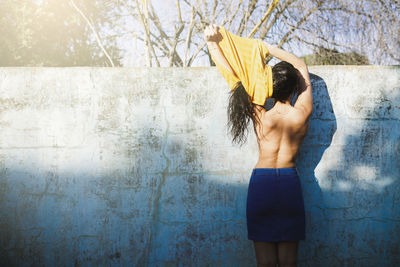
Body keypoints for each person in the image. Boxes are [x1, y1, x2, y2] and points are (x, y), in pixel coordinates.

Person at [204, 24, 313, 267]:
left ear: (270, 86)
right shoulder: (302, 114)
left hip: (261, 183)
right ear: (295, 87)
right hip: (289, 182)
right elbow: (301, 65)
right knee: (288, 263)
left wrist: (213, 43)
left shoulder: (259, 114)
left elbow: (233, 77)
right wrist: (270, 49)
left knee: (264, 263)